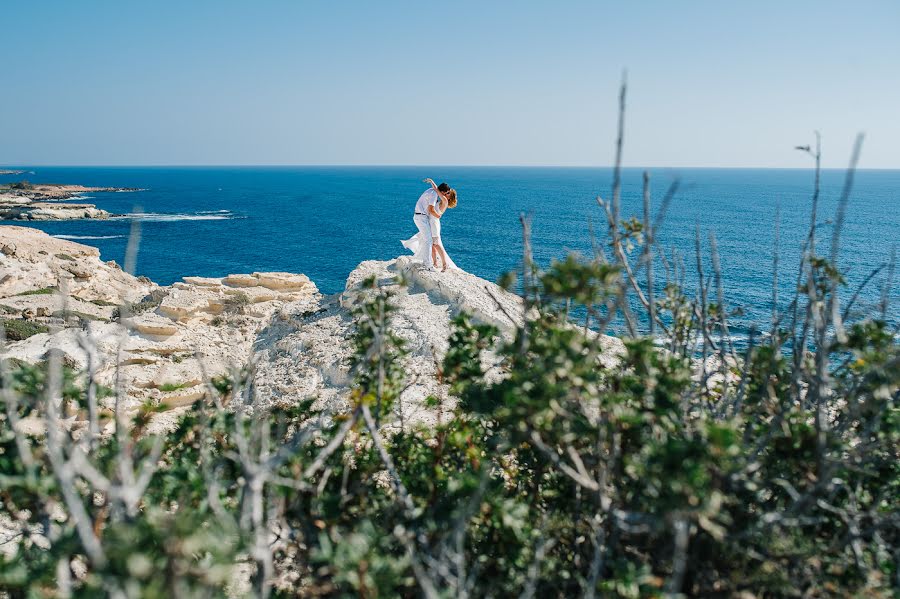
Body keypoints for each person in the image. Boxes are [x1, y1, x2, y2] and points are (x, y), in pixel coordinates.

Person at [401, 178, 459, 271]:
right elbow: (437, 190)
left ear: (449, 196)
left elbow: (436, 194)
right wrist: (432, 183)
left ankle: (444, 264)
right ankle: (434, 263)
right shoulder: (438, 195)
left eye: (448, 193)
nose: (446, 194)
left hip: (434, 223)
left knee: (435, 243)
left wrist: (438, 215)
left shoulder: (444, 200)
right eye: (447, 192)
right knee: (431, 244)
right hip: (429, 221)